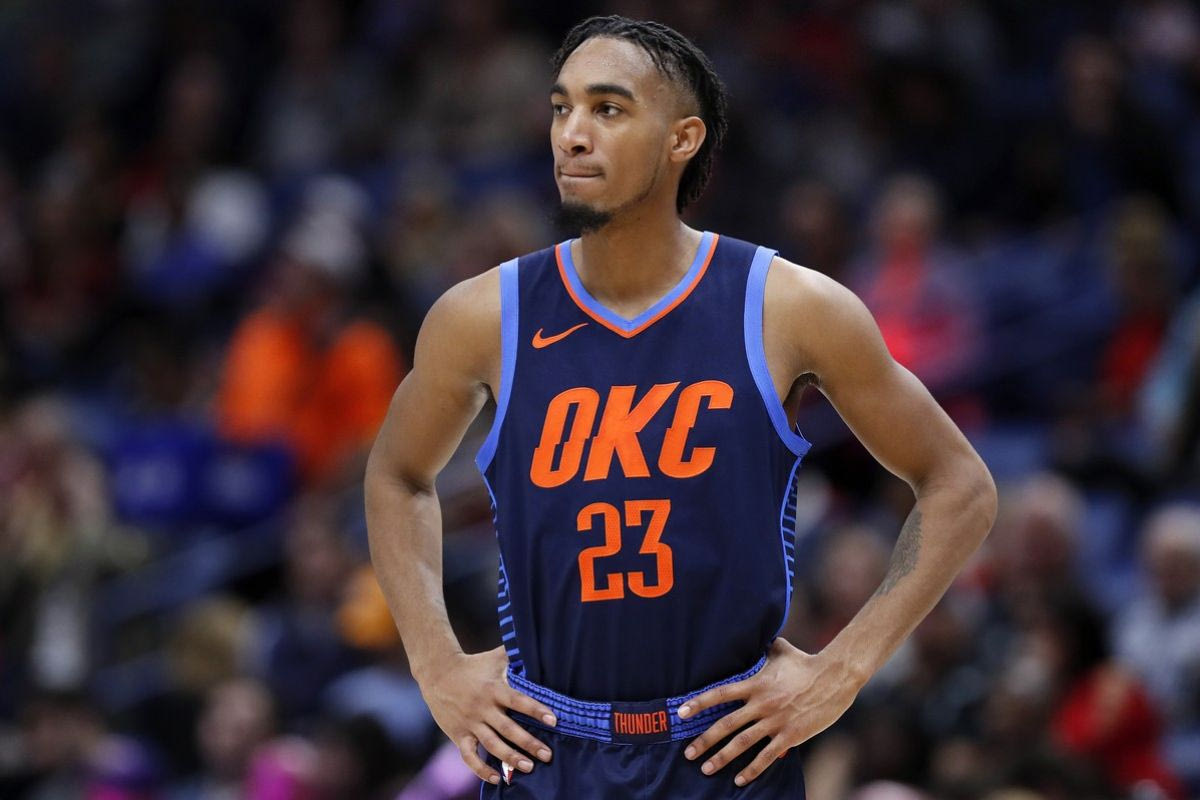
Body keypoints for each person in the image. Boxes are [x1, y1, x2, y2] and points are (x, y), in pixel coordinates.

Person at [365, 15, 997, 798]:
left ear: (682, 139)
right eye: (561, 108)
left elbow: (960, 485)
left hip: (726, 755)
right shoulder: (483, 317)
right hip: (544, 754)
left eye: (607, 108)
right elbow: (396, 475)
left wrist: (844, 669)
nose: (571, 135)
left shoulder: (789, 307)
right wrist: (436, 664)